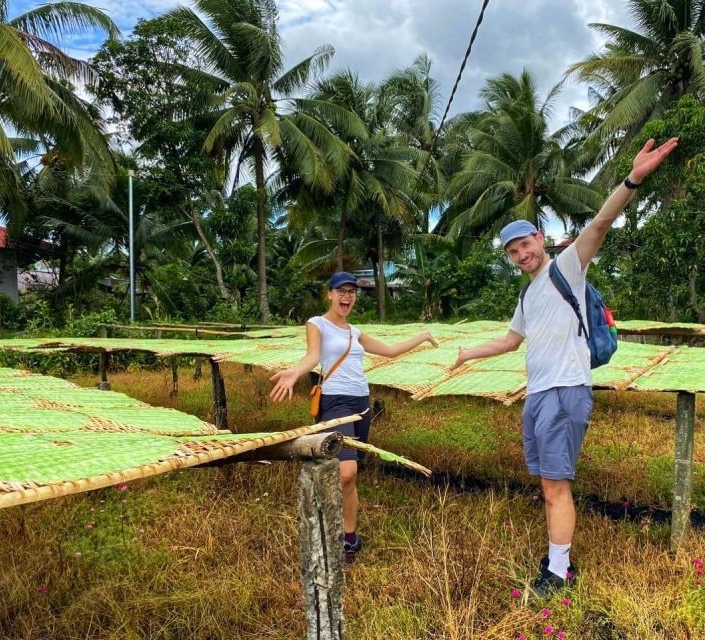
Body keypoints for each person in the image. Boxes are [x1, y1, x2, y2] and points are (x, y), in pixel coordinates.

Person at [451, 137, 678, 597]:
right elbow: (511, 341)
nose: (521, 256)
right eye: (512, 253)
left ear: (539, 237)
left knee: (556, 486)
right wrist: (466, 354)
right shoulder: (526, 293)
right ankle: (558, 557)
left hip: (565, 390)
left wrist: (633, 179)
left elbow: (600, 222)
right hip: (537, 395)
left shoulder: (568, 267)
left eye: (525, 245)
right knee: (548, 482)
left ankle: (559, 572)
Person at [269, 271, 438, 561]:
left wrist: (421, 336)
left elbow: (389, 351)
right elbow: (312, 356)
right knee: (346, 472)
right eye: (341, 291)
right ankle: (328, 528)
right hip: (335, 403)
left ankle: (350, 538)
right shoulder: (317, 324)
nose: (347, 296)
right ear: (330, 295)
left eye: (351, 292)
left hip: (362, 402)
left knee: (351, 474)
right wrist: (296, 372)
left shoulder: (355, 332)